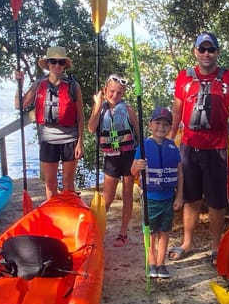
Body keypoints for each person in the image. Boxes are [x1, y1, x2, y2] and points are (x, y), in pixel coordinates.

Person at [167, 32, 229, 263]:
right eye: (202, 49)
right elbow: (177, 114)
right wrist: (168, 142)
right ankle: (187, 242)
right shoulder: (183, 78)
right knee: (191, 198)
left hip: (217, 148)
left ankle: (215, 247)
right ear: (195, 52)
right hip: (189, 146)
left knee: (217, 200)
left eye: (211, 49)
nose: (206, 54)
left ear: (217, 52)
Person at [15, 46, 85, 199]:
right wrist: (19, 84)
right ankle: (53, 216)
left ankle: (69, 214)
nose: (57, 65)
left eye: (61, 62)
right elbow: (19, 105)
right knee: (50, 184)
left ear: (65, 65)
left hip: (70, 140)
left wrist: (80, 142)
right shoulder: (39, 85)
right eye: (53, 62)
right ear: (48, 64)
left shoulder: (73, 86)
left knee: (68, 184)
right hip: (48, 140)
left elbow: (80, 117)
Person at [87, 74, 140, 246]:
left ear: (123, 94)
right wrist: (97, 104)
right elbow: (91, 128)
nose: (114, 95)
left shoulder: (128, 109)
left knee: (127, 193)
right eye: (111, 91)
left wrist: (140, 156)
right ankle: (96, 230)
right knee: (107, 198)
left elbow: (138, 133)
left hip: (129, 155)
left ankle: (123, 232)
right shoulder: (101, 108)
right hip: (111, 157)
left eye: (119, 93)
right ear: (105, 91)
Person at [132, 106, 183, 279]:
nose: (161, 127)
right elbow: (132, 171)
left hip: (168, 198)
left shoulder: (173, 147)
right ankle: (151, 262)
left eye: (166, 124)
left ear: (170, 128)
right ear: (150, 125)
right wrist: (137, 167)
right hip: (150, 198)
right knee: (151, 233)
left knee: (165, 232)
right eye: (158, 123)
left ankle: (162, 264)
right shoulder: (144, 146)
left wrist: (180, 196)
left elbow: (180, 173)